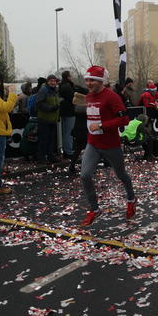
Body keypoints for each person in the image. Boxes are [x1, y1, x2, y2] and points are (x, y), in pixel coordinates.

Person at [79, 65, 136, 226]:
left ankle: (131, 199)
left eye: (92, 80)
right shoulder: (89, 96)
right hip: (93, 143)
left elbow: (124, 120)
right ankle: (94, 209)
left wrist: (101, 126)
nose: (88, 83)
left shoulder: (112, 97)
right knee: (85, 175)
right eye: (87, 80)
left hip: (111, 145)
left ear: (101, 81)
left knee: (121, 174)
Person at [35, 74, 60, 164]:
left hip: (53, 119)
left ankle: (50, 156)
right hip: (44, 119)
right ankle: (41, 158)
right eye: (51, 81)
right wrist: (50, 108)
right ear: (47, 82)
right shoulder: (44, 90)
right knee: (43, 140)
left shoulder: (55, 91)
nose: (53, 83)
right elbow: (39, 103)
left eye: (54, 81)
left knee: (51, 140)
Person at [68, 86, 89, 173]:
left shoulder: (76, 104)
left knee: (78, 149)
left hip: (77, 128)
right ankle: (87, 167)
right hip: (84, 129)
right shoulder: (85, 105)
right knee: (89, 149)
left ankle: (72, 166)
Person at [59, 71, 76, 159]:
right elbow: (73, 98)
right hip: (69, 112)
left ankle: (67, 150)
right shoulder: (67, 86)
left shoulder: (62, 85)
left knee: (66, 132)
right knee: (69, 132)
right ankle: (68, 151)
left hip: (65, 112)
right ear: (68, 77)